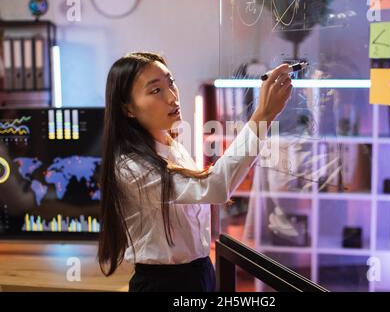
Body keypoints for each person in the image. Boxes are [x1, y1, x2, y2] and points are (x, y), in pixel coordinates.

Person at [97, 52, 293, 292]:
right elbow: (214, 187)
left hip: (199, 273)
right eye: (155, 90)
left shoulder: (171, 147)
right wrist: (263, 116)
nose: (172, 97)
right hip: (165, 284)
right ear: (128, 109)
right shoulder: (131, 167)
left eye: (171, 83)